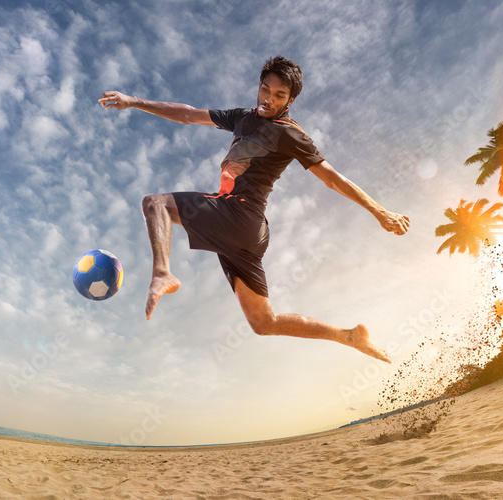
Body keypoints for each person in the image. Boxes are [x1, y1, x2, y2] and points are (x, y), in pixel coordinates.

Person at [98, 56, 409, 363]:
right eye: (265, 89)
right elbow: (189, 115)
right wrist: (133, 101)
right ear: (259, 86)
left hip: (241, 215)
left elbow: (331, 178)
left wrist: (380, 212)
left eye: (279, 95)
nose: (268, 100)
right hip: (247, 232)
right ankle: (349, 336)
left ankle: (162, 273)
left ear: (291, 99)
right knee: (264, 323)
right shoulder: (242, 118)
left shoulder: (290, 133)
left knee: (155, 204)